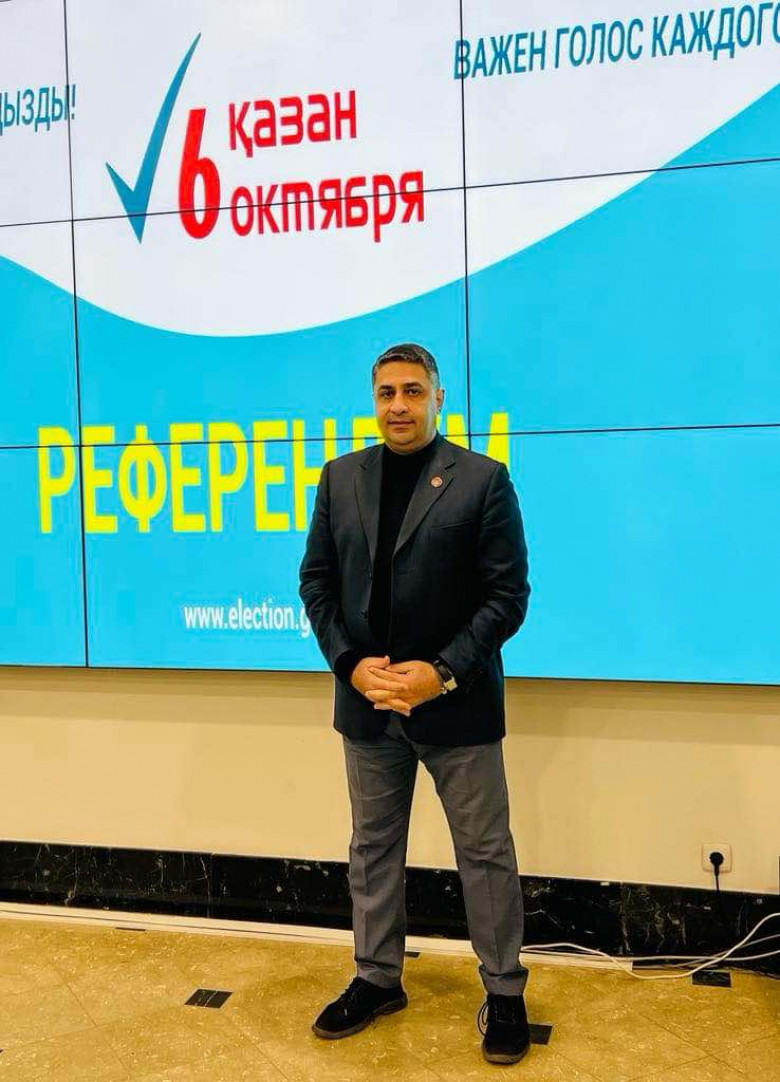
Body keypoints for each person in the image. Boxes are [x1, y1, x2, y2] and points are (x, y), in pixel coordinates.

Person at [298, 342, 531, 1065]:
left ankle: (505, 992)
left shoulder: (483, 480)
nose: (397, 405)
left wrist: (443, 672)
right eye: (386, 393)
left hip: (456, 707)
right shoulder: (340, 478)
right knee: (372, 848)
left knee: (484, 852)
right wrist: (349, 664)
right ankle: (377, 978)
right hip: (368, 705)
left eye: (411, 391)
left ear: (437, 398)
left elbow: (507, 597)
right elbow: (316, 583)